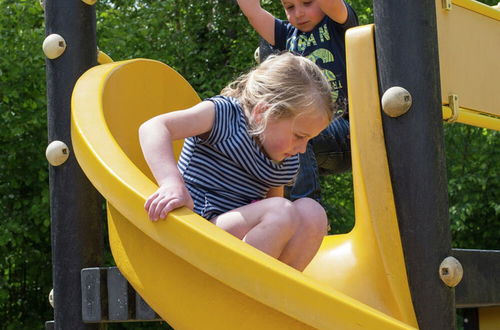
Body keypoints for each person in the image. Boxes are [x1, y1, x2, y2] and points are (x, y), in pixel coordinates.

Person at [139, 53, 336, 271]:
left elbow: (279, 220)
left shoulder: (284, 160)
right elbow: (154, 127)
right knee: (281, 211)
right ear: (263, 112)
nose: (302, 148)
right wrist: (171, 184)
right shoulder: (224, 115)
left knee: (312, 213)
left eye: (309, 139)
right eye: (299, 136)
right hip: (194, 226)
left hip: (232, 240)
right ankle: (243, 287)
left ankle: (271, 290)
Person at [237, 0, 358, 202]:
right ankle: (265, 206)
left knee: (295, 131)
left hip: (348, 132)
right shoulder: (285, 34)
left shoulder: (337, 24)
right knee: (269, 133)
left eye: (307, 3)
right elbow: (253, 12)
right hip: (310, 141)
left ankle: (306, 206)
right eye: (290, 7)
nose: (299, 13)